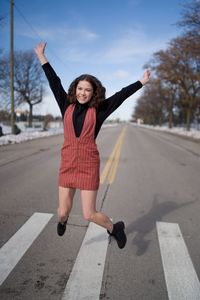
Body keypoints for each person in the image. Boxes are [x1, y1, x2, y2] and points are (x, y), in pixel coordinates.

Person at [34, 42, 150, 249]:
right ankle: (63, 221)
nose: (83, 93)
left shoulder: (100, 110)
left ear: (93, 93)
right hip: (68, 163)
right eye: (80, 88)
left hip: (88, 165)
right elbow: (54, 81)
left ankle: (115, 229)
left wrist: (141, 82)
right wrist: (42, 57)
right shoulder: (65, 105)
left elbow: (121, 95)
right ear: (75, 89)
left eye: (87, 90)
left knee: (89, 214)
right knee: (62, 212)